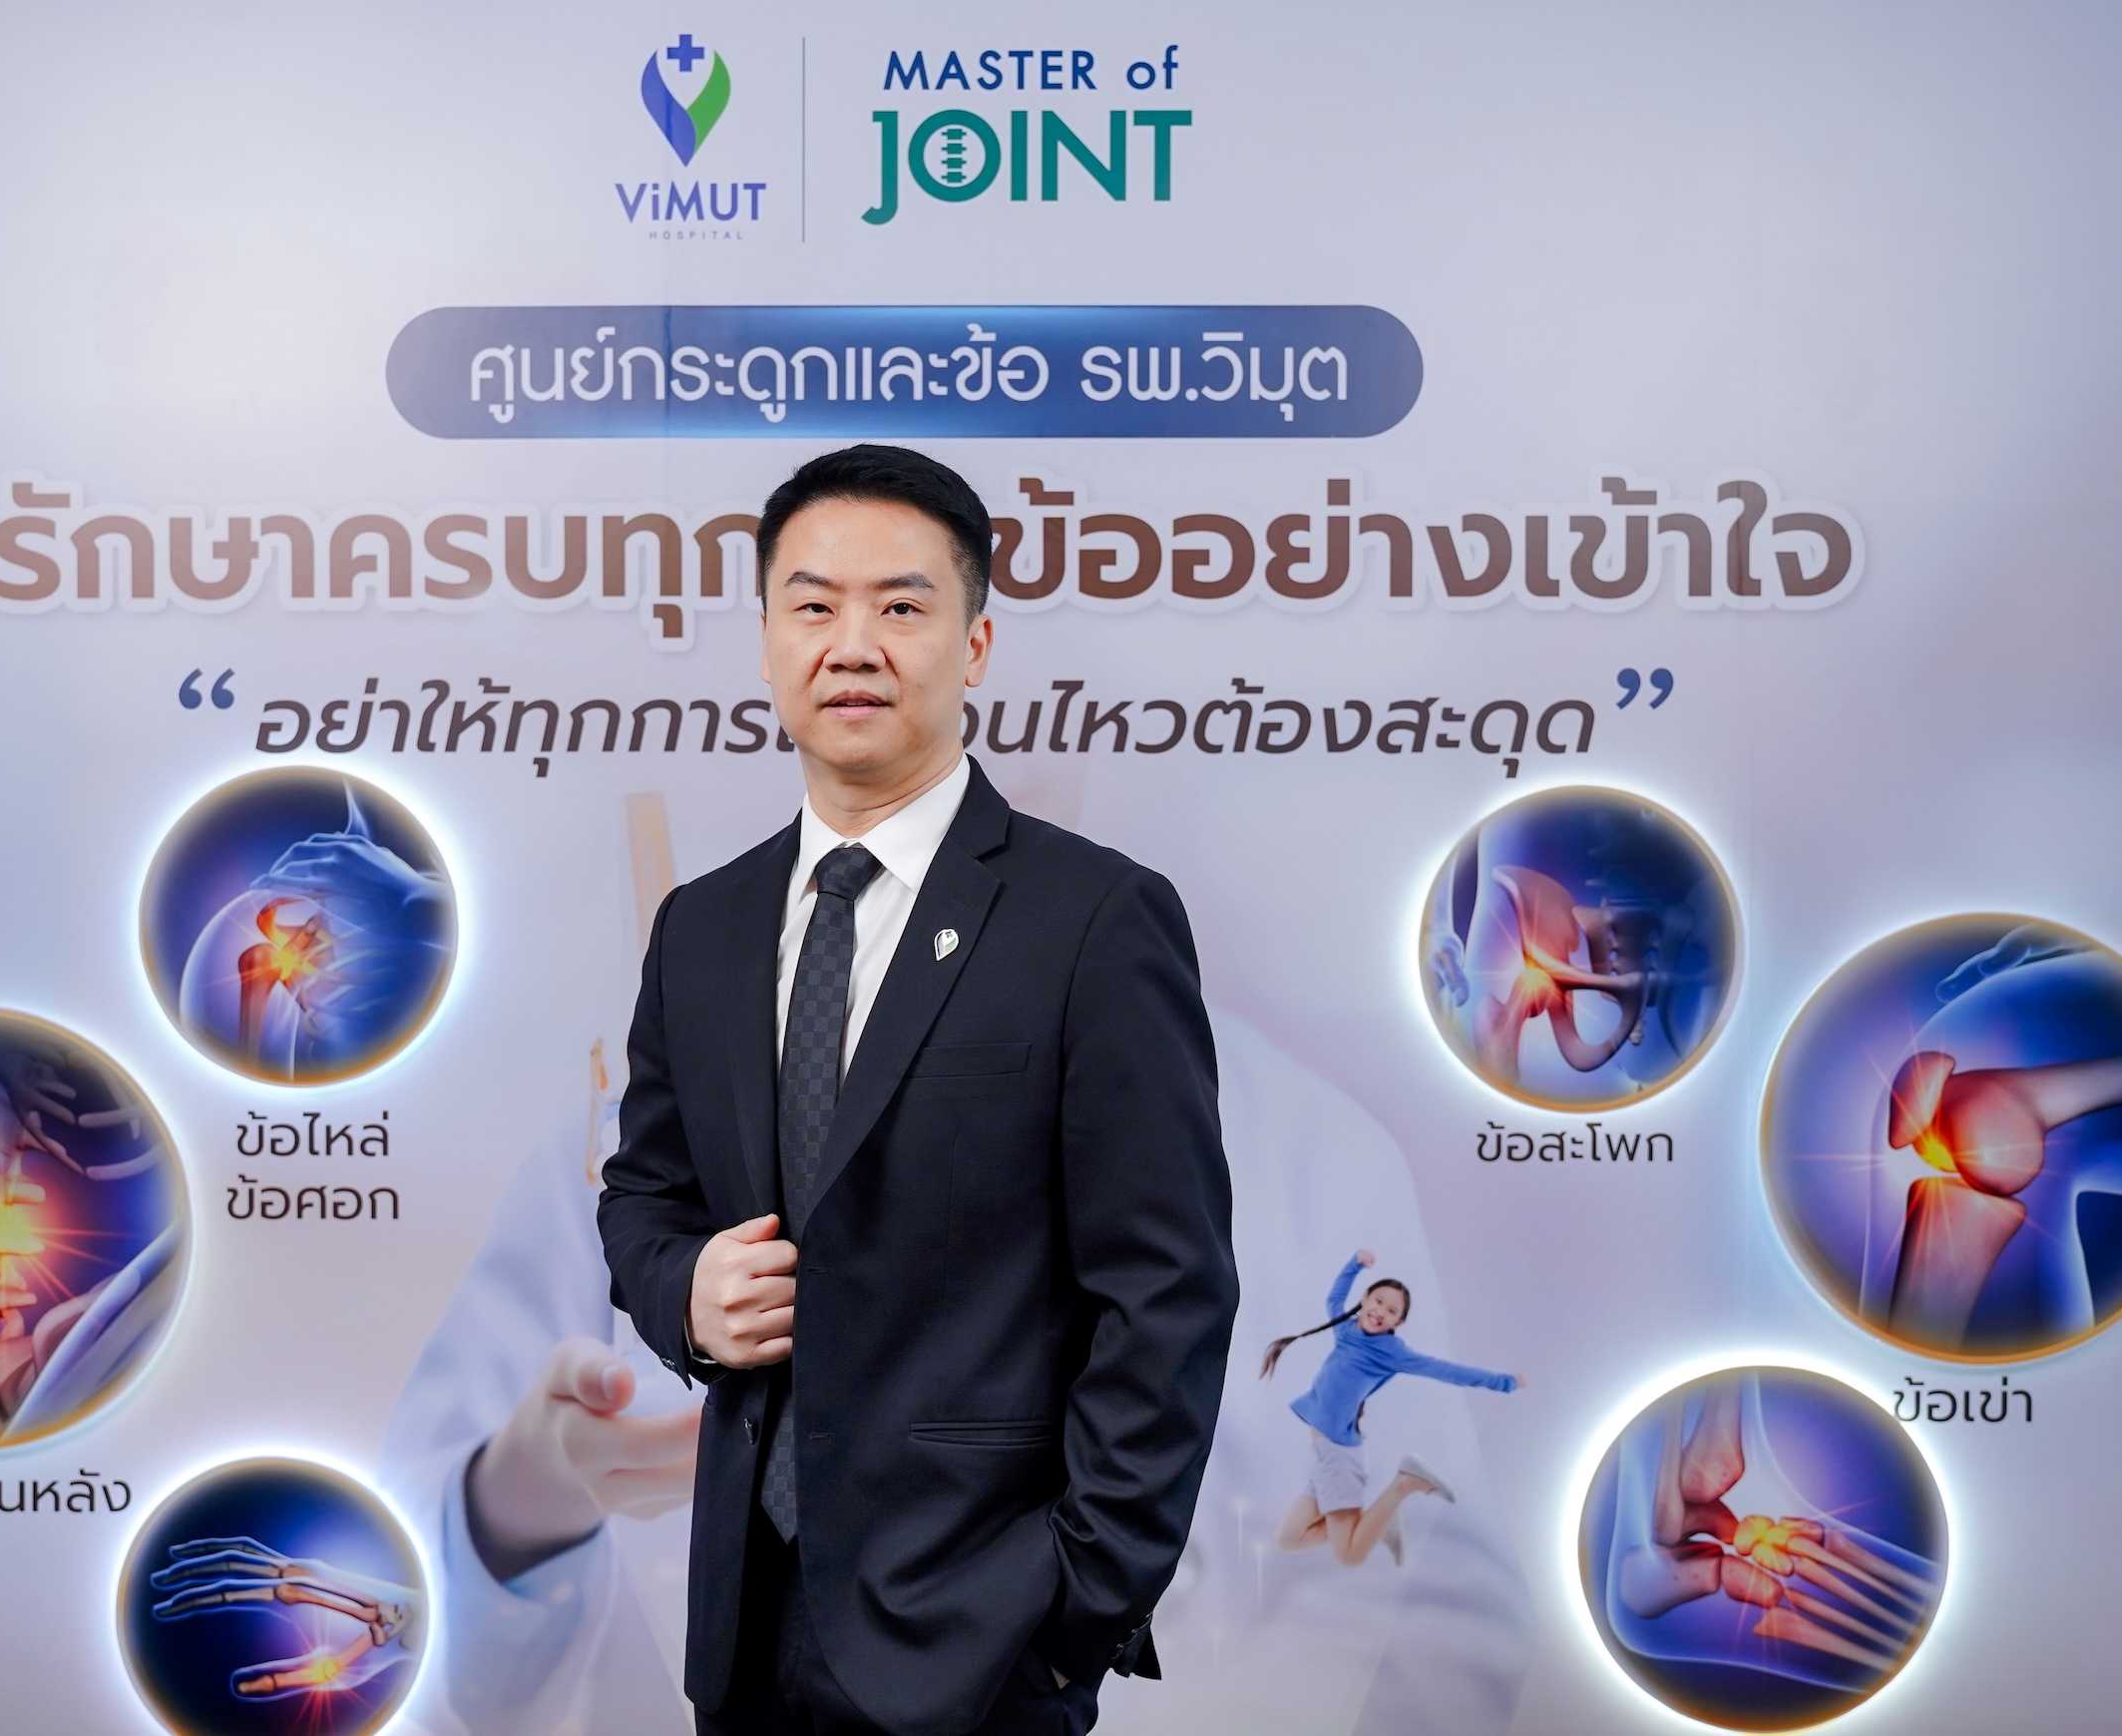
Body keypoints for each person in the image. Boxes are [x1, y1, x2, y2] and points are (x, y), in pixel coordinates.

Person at [476, 443, 1243, 1736]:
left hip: (983, 1641)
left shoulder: (1093, 921)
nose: (852, 646)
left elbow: (1166, 1292)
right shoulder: (703, 928)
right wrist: (685, 1294)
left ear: (975, 646)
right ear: (767, 640)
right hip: (741, 1628)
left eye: (899, 606)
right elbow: (643, 1197)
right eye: (813, 605)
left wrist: (1074, 1610)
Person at [1259, 1249, 1518, 1570]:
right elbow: (1334, 1299)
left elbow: (1446, 1370)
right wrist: (1355, 1264)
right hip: (1324, 1454)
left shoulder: (1393, 1352)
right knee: (1287, 1538)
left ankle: (1404, 1484)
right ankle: (1378, 1522)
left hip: (1339, 1458)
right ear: (1365, 1300)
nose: (1381, 1311)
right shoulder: (1347, 1330)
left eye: (1392, 1310)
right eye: (1378, 1301)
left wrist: (1503, 1383)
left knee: (1349, 1555)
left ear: (1399, 1322)